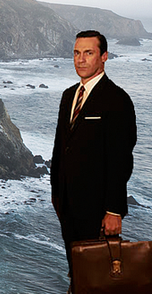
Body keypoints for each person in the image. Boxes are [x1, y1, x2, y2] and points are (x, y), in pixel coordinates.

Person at [50, 30, 137, 288]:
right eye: (77, 53)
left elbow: (121, 159)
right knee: (77, 272)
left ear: (104, 57)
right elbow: (60, 146)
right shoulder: (69, 96)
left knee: (98, 280)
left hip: (98, 210)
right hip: (67, 205)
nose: (80, 59)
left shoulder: (117, 100)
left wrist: (113, 210)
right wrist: (57, 193)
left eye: (89, 53)